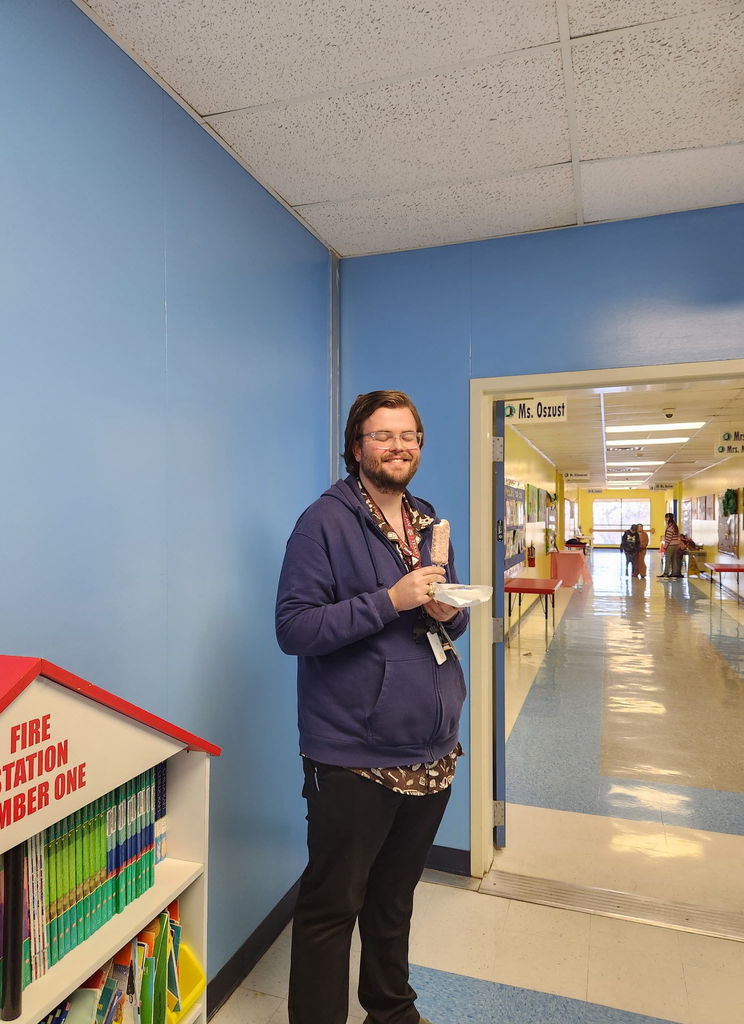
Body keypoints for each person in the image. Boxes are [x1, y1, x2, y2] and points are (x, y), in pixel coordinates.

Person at [276, 390, 468, 1024]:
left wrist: (446, 610)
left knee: (394, 899)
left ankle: (391, 1011)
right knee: (333, 907)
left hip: (429, 746)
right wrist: (391, 600)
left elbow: (444, 618)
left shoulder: (425, 516)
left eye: (409, 435)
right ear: (357, 447)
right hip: (353, 754)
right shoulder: (323, 522)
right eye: (383, 435)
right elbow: (295, 629)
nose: (398, 446)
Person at [658, 512, 681, 577]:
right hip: (676, 545)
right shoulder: (675, 526)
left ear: (668, 518)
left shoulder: (670, 527)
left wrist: (665, 546)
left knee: (667, 559)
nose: (665, 519)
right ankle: (674, 573)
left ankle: (666, 573)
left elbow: (668, 538)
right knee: (674, 560)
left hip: (670, 545)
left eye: (666, 518)